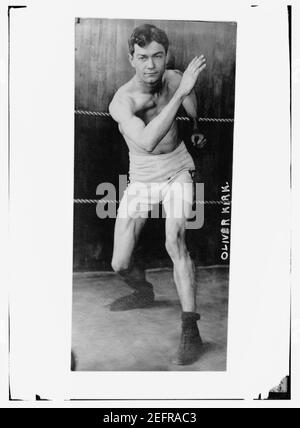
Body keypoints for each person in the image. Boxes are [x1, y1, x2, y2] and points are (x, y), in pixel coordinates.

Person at [108, 24, 206, 365]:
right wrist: (180, 94)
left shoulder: (177, 78)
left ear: (166, 55)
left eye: (157, 56)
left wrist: (195, 129)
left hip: (178, 167)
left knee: (174, 240)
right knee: (119, 263)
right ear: (131, 59)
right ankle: (143, 290)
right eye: (143, 57)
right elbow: (147, 140)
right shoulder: (123, 101)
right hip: (143, 178)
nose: (151, 65)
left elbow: (192, 108)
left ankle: (190, 328)